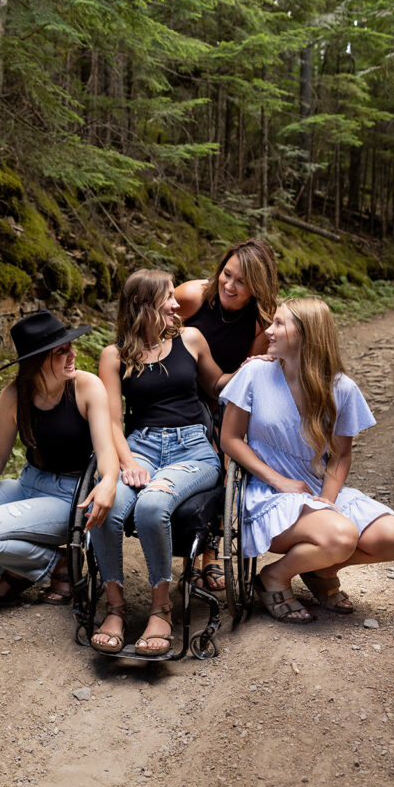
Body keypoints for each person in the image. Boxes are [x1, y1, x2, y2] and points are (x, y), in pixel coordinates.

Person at [220, 297, 394, 623]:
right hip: (268, 490)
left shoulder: (341, 388)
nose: (268, 331)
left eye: (279, 324)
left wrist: (327, 501)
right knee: (340, 536)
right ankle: (273, 577)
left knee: (393, 539)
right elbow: (230, 439)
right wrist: (279, 481)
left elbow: (340, 455)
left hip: (317, 488)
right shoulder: (255, 373)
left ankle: (320, 569)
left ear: (306, 335)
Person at [0, 311, 118, 606]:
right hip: (27, 484)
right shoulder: (13, 395)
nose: (72, 355)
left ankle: (47, 567)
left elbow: (106, 451)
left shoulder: (86, 387)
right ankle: (39, 566)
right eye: (60, 352)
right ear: (37, 361)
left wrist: (108, 483)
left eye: (70, 347)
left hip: (68, 496)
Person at [89, 269, 233, 655]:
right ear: (142, 306)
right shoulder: (115, 355)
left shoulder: (191, 339)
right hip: (140, 446)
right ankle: (115, 607)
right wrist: (127, 460)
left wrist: (258, 366)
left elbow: (219, 384)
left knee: (153, 505)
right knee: (105, 506)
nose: (176, 304)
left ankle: (161, 609)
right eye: (167, 297)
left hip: (193, 449)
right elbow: (113, 421)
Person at [175, 239, 279, 590]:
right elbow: (152, 338)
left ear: (257, 290)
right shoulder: (191, 296)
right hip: (176, 390)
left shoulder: (260, 325)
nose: (229, 286)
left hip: (222, 396)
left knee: (223, 448)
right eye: (227, 274)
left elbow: (244, 381)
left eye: (241, 282)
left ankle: (208, 551)